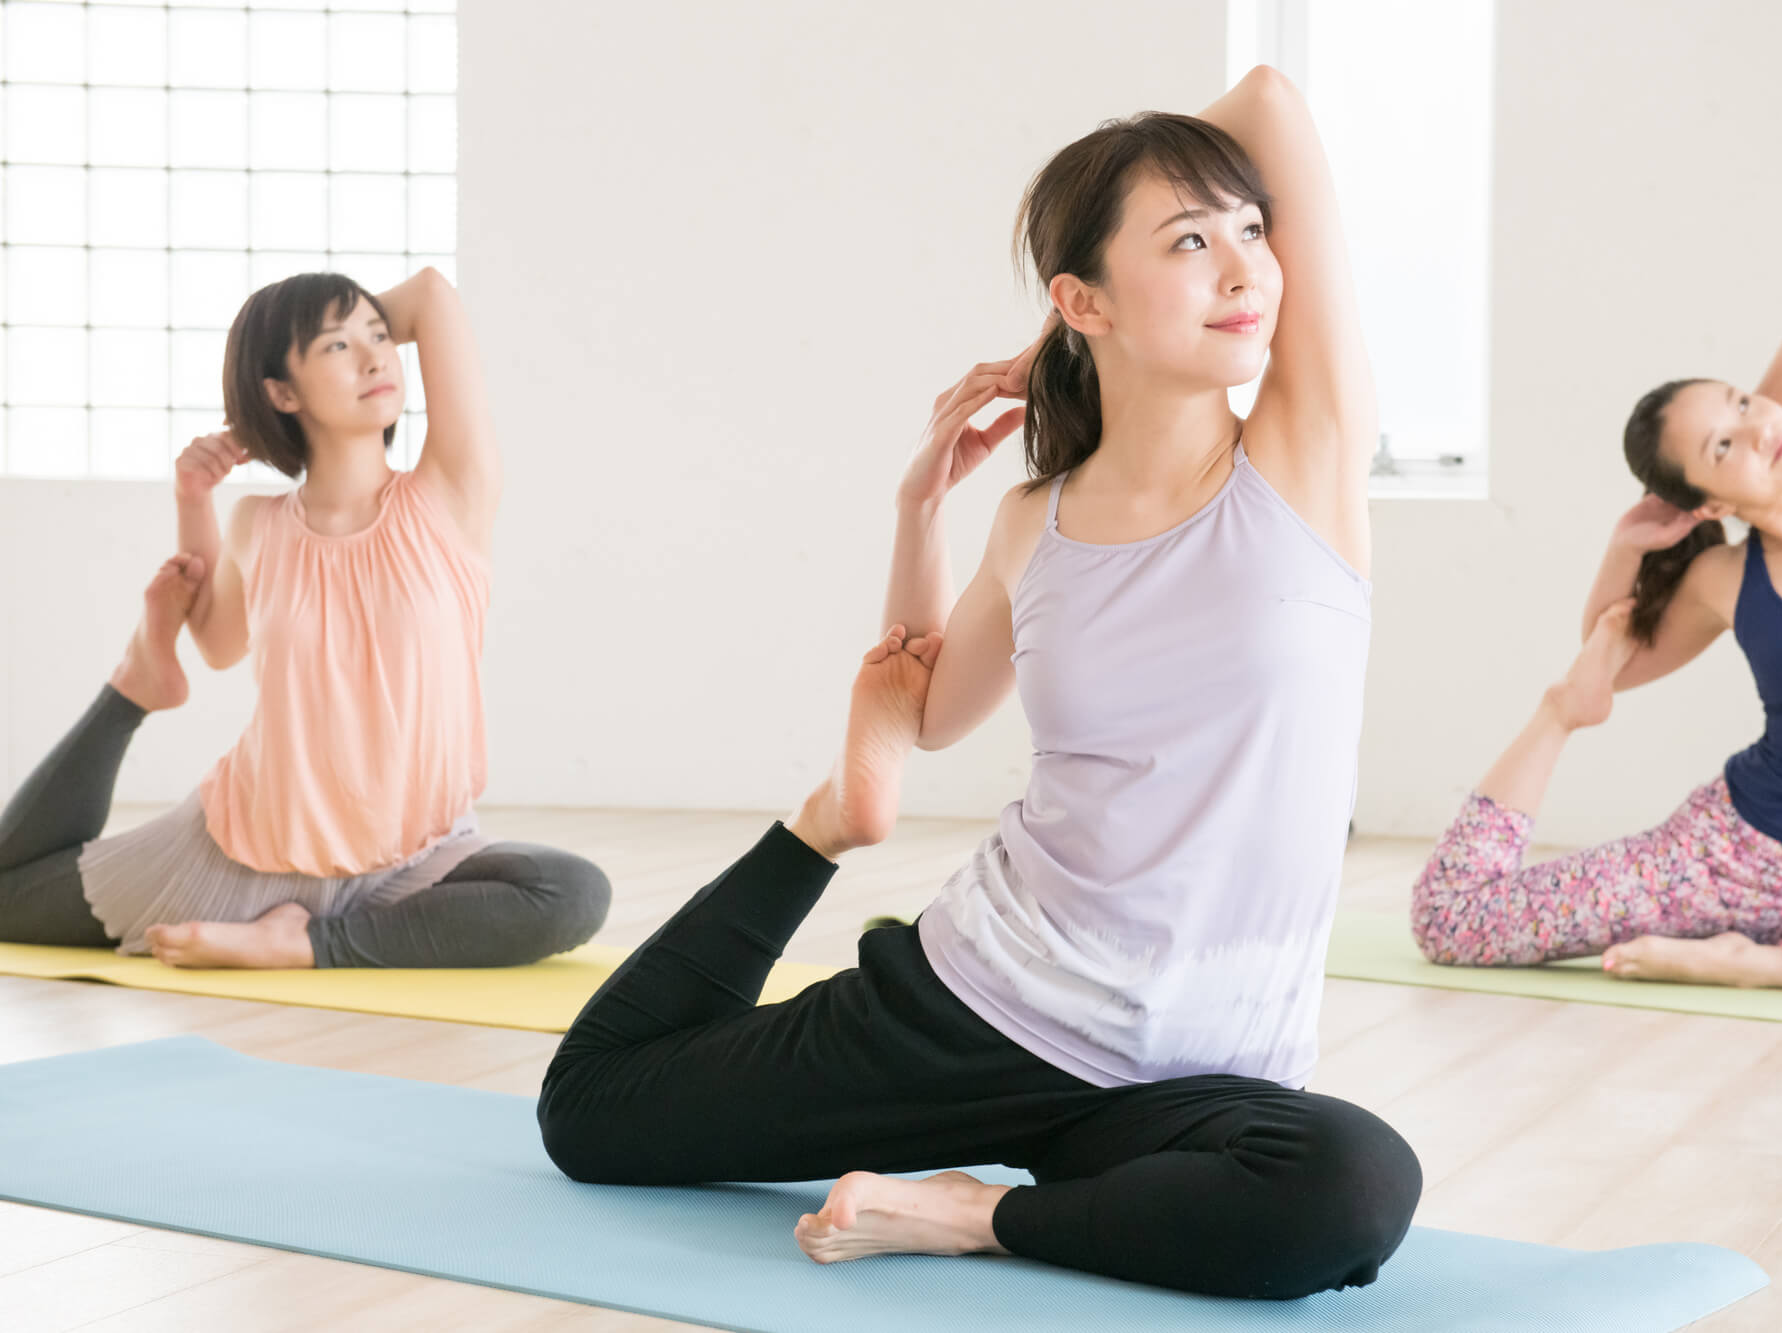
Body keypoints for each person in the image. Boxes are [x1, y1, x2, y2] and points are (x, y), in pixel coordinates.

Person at [537, 67, 1421, 1301]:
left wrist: (1087, 284)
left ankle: (971, 1215)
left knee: (1352, 1184)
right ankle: (822, 831)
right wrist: (918, 507)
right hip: (982, 1005)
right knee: (593, 1115)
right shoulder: (1033, 522)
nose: (1243, 269)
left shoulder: (1301, 460)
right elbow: (936, 710)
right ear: (1085, 297)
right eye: (1187, 240)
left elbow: (1270, 94)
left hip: (1197, 1076)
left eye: (1251, 231)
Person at [0, 270, 610, 970]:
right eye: (337, 347)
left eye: (379, 336)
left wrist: (330, 320)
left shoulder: (452, 492)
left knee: (572, 891)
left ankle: (301, 944)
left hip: (417, 855)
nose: (377, 357)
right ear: (281, 393)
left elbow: (435, 296)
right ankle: (134, 686)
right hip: (245, 851)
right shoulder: (258, 524)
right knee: (7, 897)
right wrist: (192, 498)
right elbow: (219, 643)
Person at [1412, 278, 1782, 1000]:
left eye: (1740, 404)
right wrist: (1625, 549)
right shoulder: (1725, 578)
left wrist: (1754, 415)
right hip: (1722, 863)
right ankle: (1551, 721)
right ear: (1711, 504)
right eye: (1723, 446)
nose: (1757, 429)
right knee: (1452, 921)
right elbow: (1610, 665)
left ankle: (1753, 964)